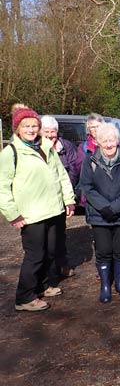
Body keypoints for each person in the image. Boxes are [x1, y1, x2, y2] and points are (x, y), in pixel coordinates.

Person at [0, 107, 75, 312]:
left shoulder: (46, 146)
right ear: (17, 129)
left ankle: (42, 287)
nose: (31, 130)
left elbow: (61, 175)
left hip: (54, 209)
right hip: (31, 214)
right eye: (27, 126)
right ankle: (24, 297)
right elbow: (2, 188)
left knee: (51, 251)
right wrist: (12, 214)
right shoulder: (11, 153)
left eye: (34, 125)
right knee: (35, 256)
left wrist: (68, 200)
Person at [79, 123, 120, 303]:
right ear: (98, 142)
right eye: (104, 141)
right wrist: (104, 207)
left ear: (117, 140)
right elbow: (86, 187)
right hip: (99, 215)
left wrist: (116, 207)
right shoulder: (90, 161)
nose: (109, 144)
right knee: (103, 250)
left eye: (112, 140)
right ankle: (105, 286)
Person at [40, 115, 78, 278]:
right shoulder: (35, 148)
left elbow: (73, 169)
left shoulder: (66, 146)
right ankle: (44, 271)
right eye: (46, 131)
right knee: (42, 238)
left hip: (61, 197)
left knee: (59, 235)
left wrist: (67, 192)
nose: (50, 135)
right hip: (41, 200)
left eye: (53, 132)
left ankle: (62, 265)